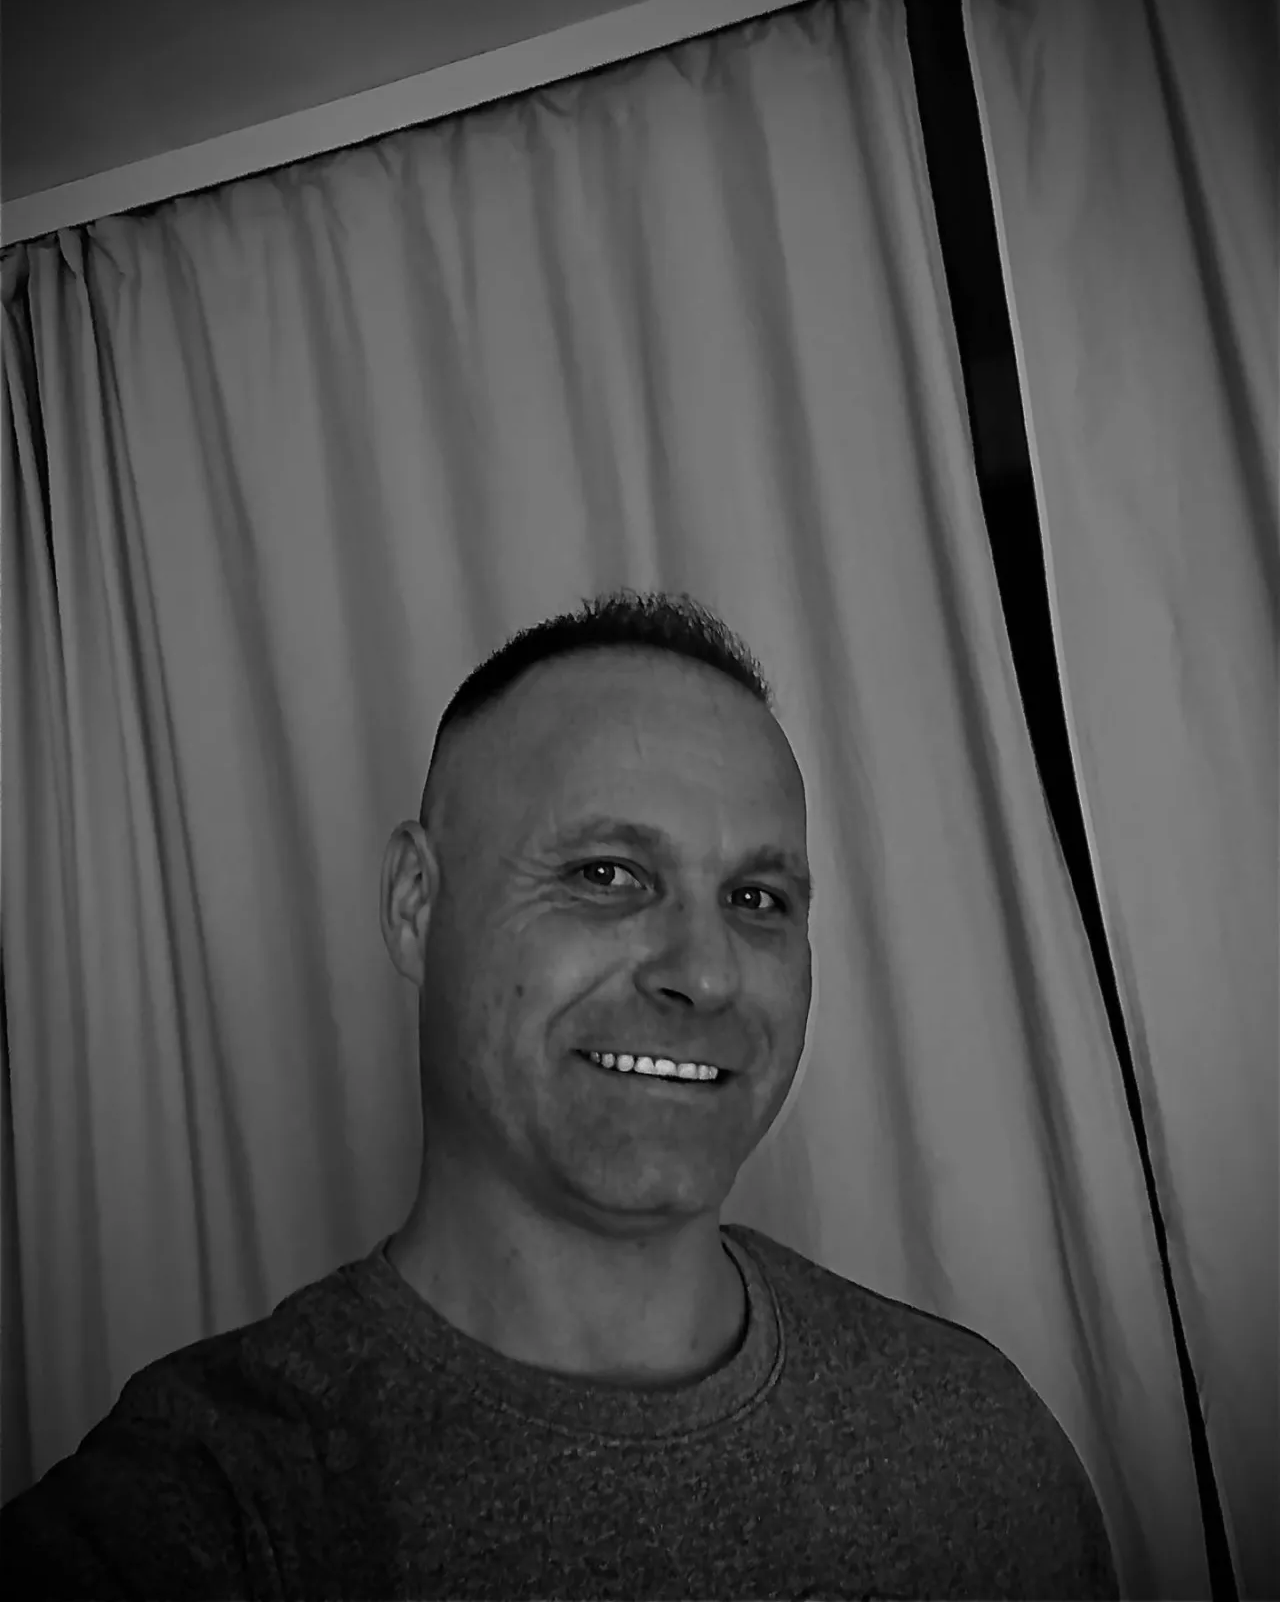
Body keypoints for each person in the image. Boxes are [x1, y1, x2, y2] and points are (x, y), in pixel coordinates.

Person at [1, 590, 1120, 1600]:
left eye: (756, 898)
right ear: (415, 903)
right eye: (605, 875)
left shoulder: (975, 1446)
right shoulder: (216, 1504)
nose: (705, 972)